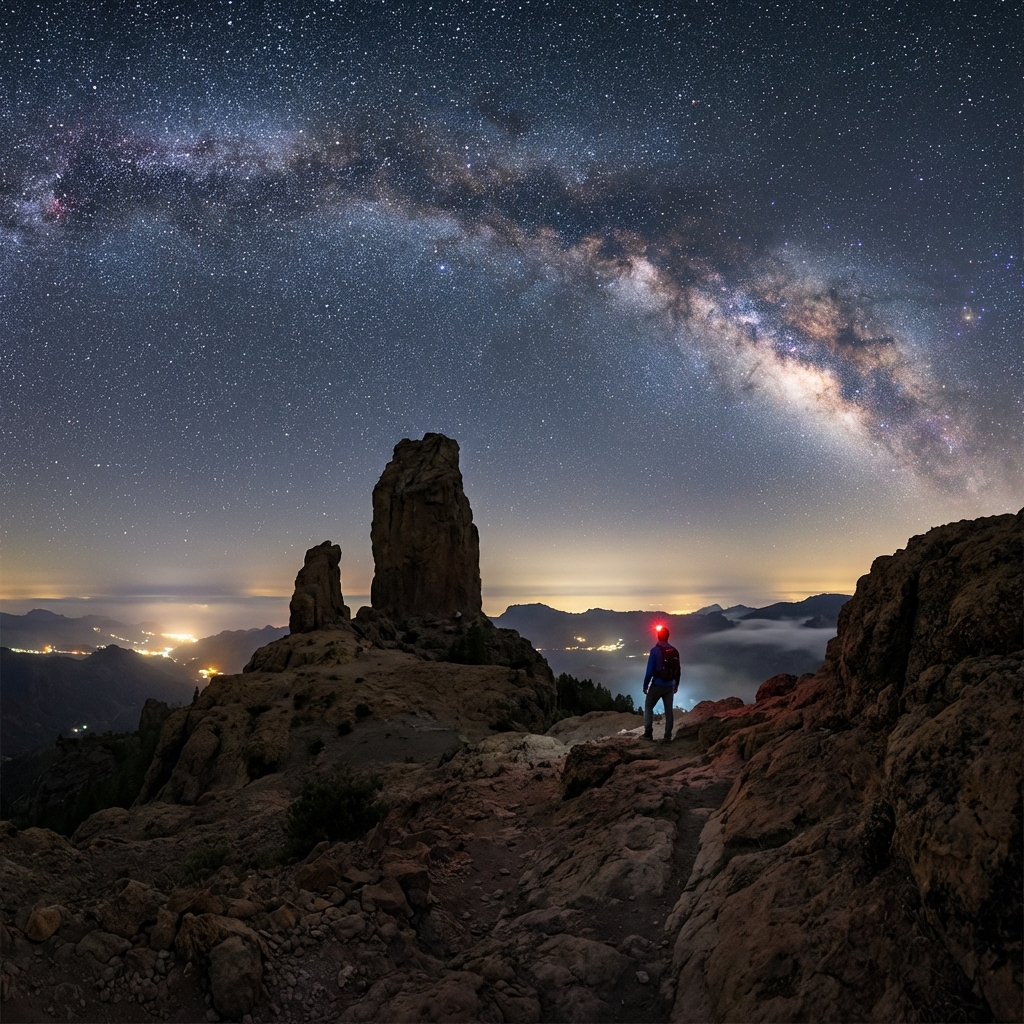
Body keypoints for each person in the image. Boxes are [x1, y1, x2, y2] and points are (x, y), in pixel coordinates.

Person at [643, 624, 680, 743]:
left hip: (657, 684)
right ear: (668, 637)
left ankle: (648, 734)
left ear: (658, 636)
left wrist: (645, 686)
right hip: (670, 685)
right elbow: (678, 670)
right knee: (669, 711)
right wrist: (676, 685)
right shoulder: (674, 651)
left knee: (648, 706)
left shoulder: (654, 651)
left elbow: (649, 671)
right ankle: (667, 738)